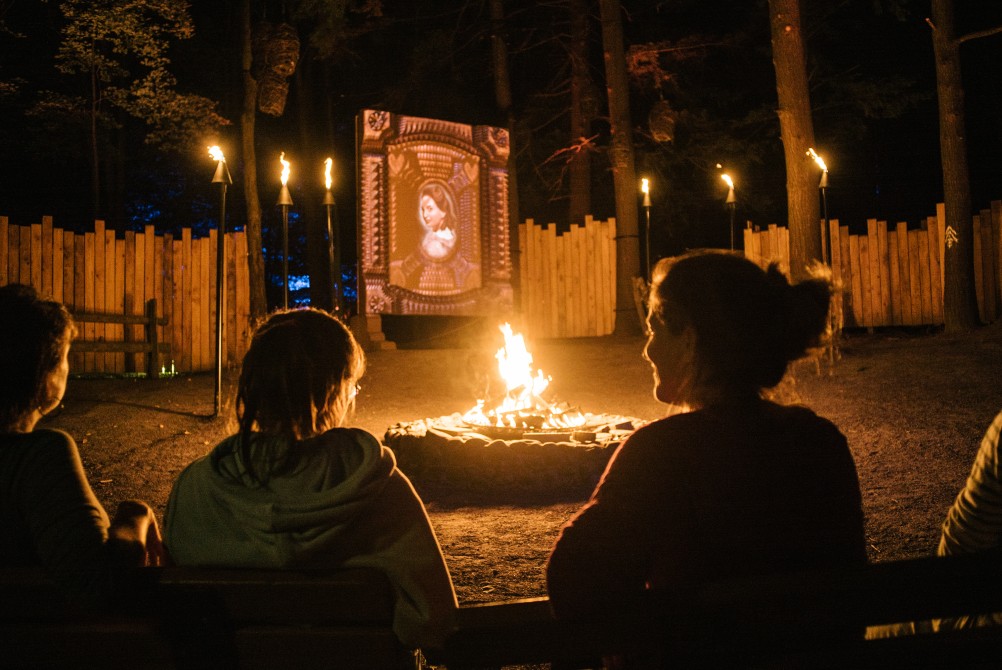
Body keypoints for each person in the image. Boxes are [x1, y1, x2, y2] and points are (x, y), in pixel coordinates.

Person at [546, 251, 867, 660]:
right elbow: (846, 600)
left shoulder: (661, 453)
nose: (647, 351)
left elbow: (572, 580)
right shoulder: (819, 442)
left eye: (654, 330)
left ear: (690, 337)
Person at [164, 307, 458, 649]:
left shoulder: (195, 490)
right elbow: (434, 621)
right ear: (335, 390)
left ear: (254, 386)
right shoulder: (380, 488)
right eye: (353, 385)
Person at [0, 284, 163, 608]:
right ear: (42, 372)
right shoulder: (38, 458)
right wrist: (135, 517)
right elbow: (97, 584)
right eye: (65, 356)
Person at [389, 182, 480, 293]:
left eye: (430, 209)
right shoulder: (429, 239)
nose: (425, 215)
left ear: (443, 211)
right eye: (423, 210)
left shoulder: (438, 244)